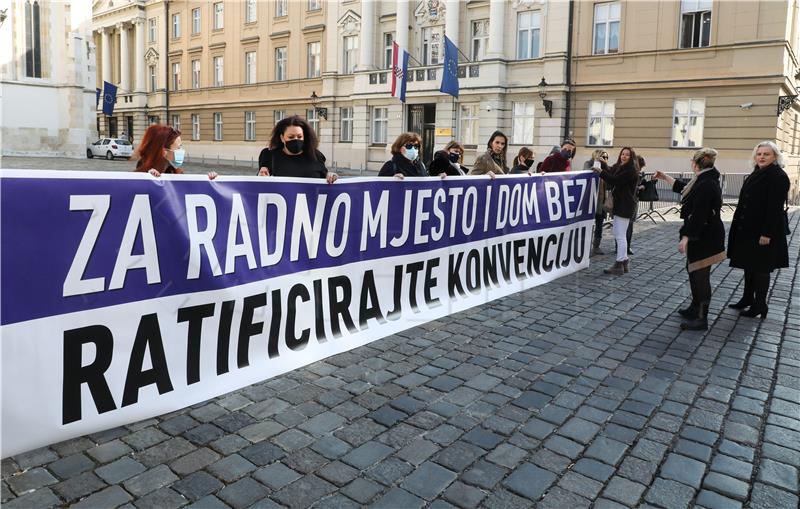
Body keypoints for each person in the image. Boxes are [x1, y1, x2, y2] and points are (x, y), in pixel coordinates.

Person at [654, 148, 725, 330]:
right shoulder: (703, 179)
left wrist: (685, 237)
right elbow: (683, 188)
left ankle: (702, 318)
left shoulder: (705, 183)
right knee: (693, 270)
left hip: (705, 236)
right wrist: (665, 177)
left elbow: (699, 215)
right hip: (704, 234)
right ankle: (695, 307)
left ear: (695, 163)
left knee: (700, 275)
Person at [726, 141, 791, 319]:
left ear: (775, 157)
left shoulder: (778, 176)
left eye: (766, 154)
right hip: (748, 230)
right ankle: (747, 298)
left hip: (763, 232)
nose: (761, 157)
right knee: (749, 265)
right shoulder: (757, 172)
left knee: (761, 268)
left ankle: (760, 304)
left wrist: (766, 234)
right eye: (759, 153)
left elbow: (774, 209)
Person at [593, 147, 639, 275]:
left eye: (627, 155)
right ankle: (623, 262)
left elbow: (615, 180)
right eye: (622, 154)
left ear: (631, 157)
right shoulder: (621, 167)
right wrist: (603, 163)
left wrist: (600, 171)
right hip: (622, 205)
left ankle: (620, 264)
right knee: (619, 234)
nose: (624, 156)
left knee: (620, 235)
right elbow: (611, 171)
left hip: (625, 206)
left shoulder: (630, 170)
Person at [258, 115, 337, 183]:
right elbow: (259, 183)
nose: (296, 140)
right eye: (291, 137)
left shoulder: (315, 155)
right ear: (282, 138)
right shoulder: (269, 155)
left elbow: (325, 176)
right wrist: (261, 176)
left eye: (299, 137)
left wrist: (331, 176)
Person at [134, 124, 217, 179]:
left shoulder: (174, 172)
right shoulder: (142, 173)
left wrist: (209, 181)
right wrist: (149, 178)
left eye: (181, 147)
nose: (181, 151)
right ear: (164, 151)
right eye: (178, 148)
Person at [583, 149, 610, 255]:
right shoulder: (588, 163)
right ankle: (585, 247)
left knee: (599, 224)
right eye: (603, 157)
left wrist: (605, 170)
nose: (605, 159)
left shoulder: (606, 168)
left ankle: (596, 246)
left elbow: (609, 182)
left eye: (607, 157)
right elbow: (586, 174)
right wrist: (595, 167)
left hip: (601, 200)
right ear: (597, 155)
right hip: (590, 198)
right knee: (588, 224)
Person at [626, 155, 647, 255]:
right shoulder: (630, 172)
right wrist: (638, 187)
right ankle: (622, 246)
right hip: (627, 201)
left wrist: (644, 185)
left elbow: (644, 184)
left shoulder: (640, 174)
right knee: (625, 225)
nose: (640, 168)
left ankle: (627, 246)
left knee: (629, 225)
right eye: (640, 166)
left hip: (634, 201)